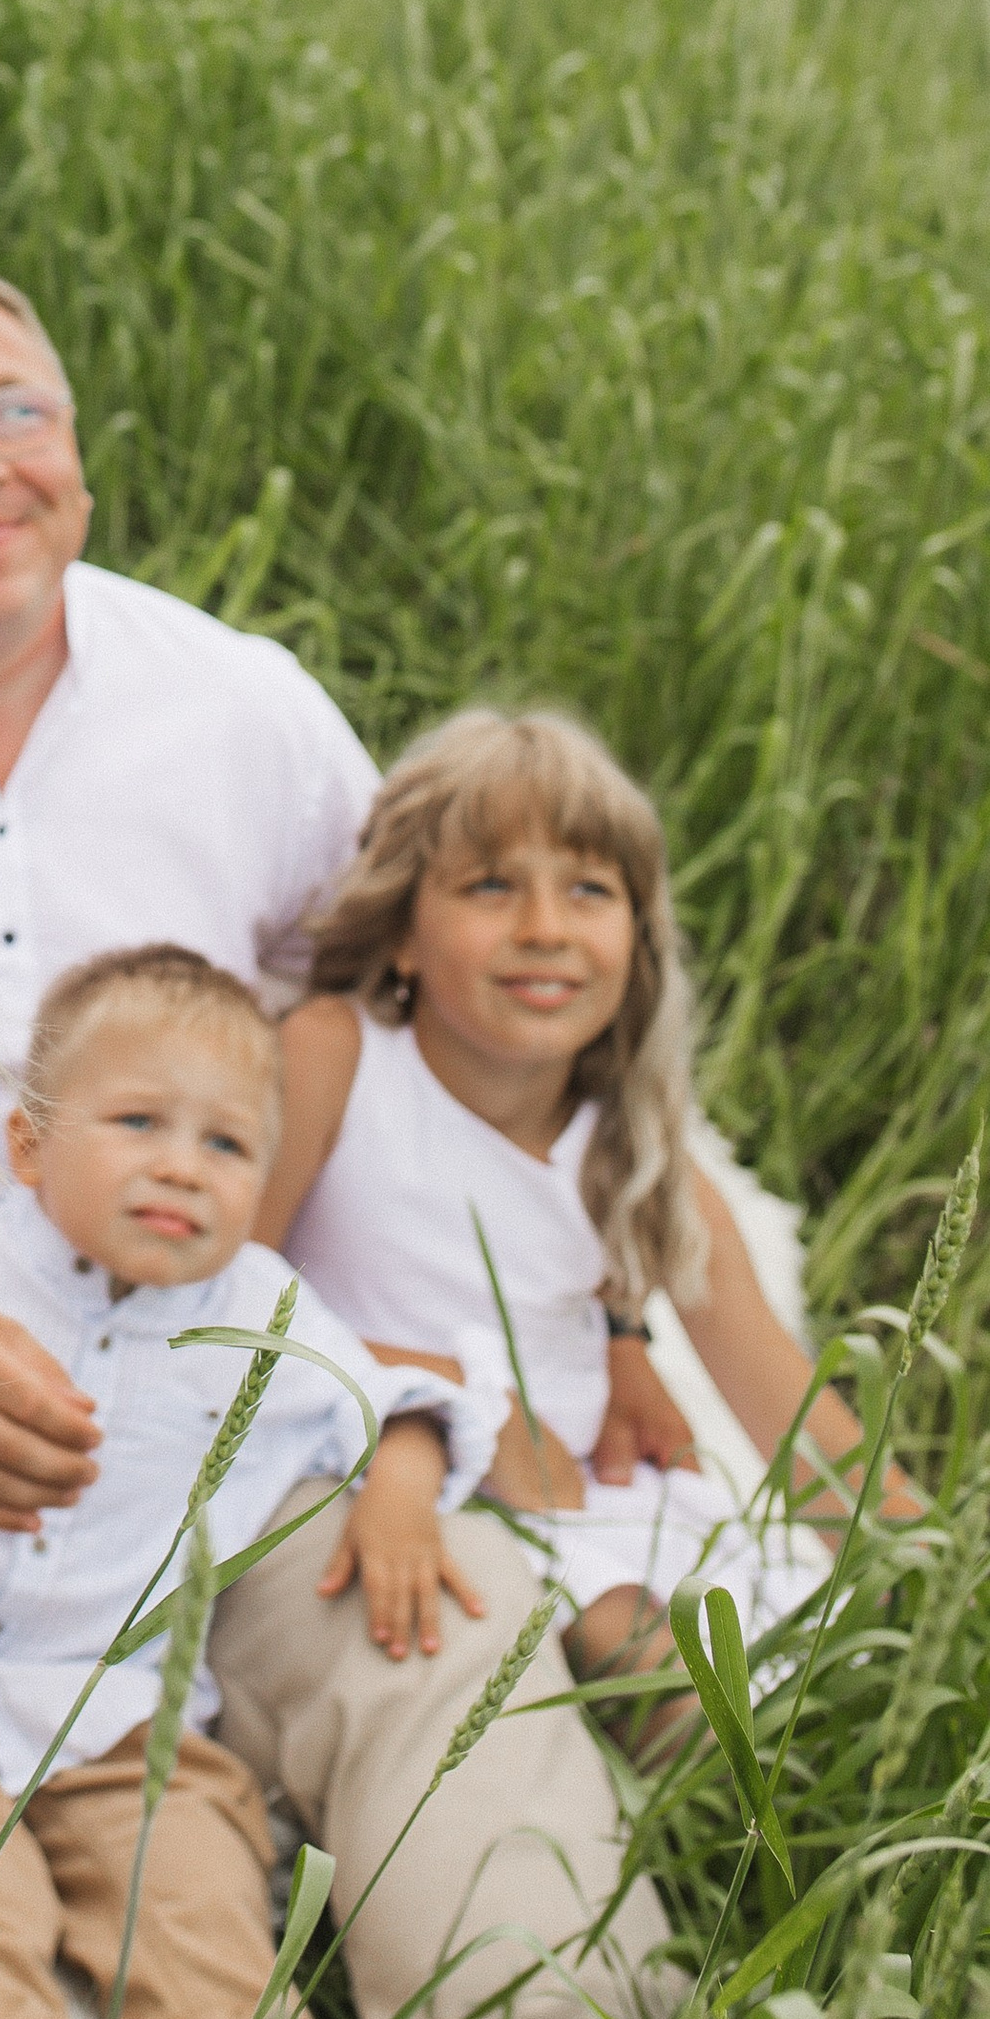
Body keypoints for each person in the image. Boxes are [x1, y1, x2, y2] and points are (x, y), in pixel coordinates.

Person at [0, 250, 677, 2019]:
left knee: (440, 1612)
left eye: (18, 410)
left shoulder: (238, 708)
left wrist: (575, 1326)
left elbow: (430, 1016)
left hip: (204, 1386)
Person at [0, 948, 510, 2019]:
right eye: (136, 1125)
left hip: (123, 1720)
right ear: (25, 1144)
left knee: (200, 1904)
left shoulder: (265, 1318)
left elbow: (412, 1395)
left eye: (227, 1144)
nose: (182, 1167)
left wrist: (400, 1480)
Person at [266, 707, 918, 1726]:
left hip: (593, 1501)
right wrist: (438, 1389)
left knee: (818, 1670)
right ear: (399, 929)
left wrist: (930, 1582)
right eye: (491, 884)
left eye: (589, 890)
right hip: (410, 1467)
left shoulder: (642, 1153)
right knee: (653, 1661)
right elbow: (224, 1292)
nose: (545, 927)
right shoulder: (332, 1058)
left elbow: (796, 1423)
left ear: (638, 936)